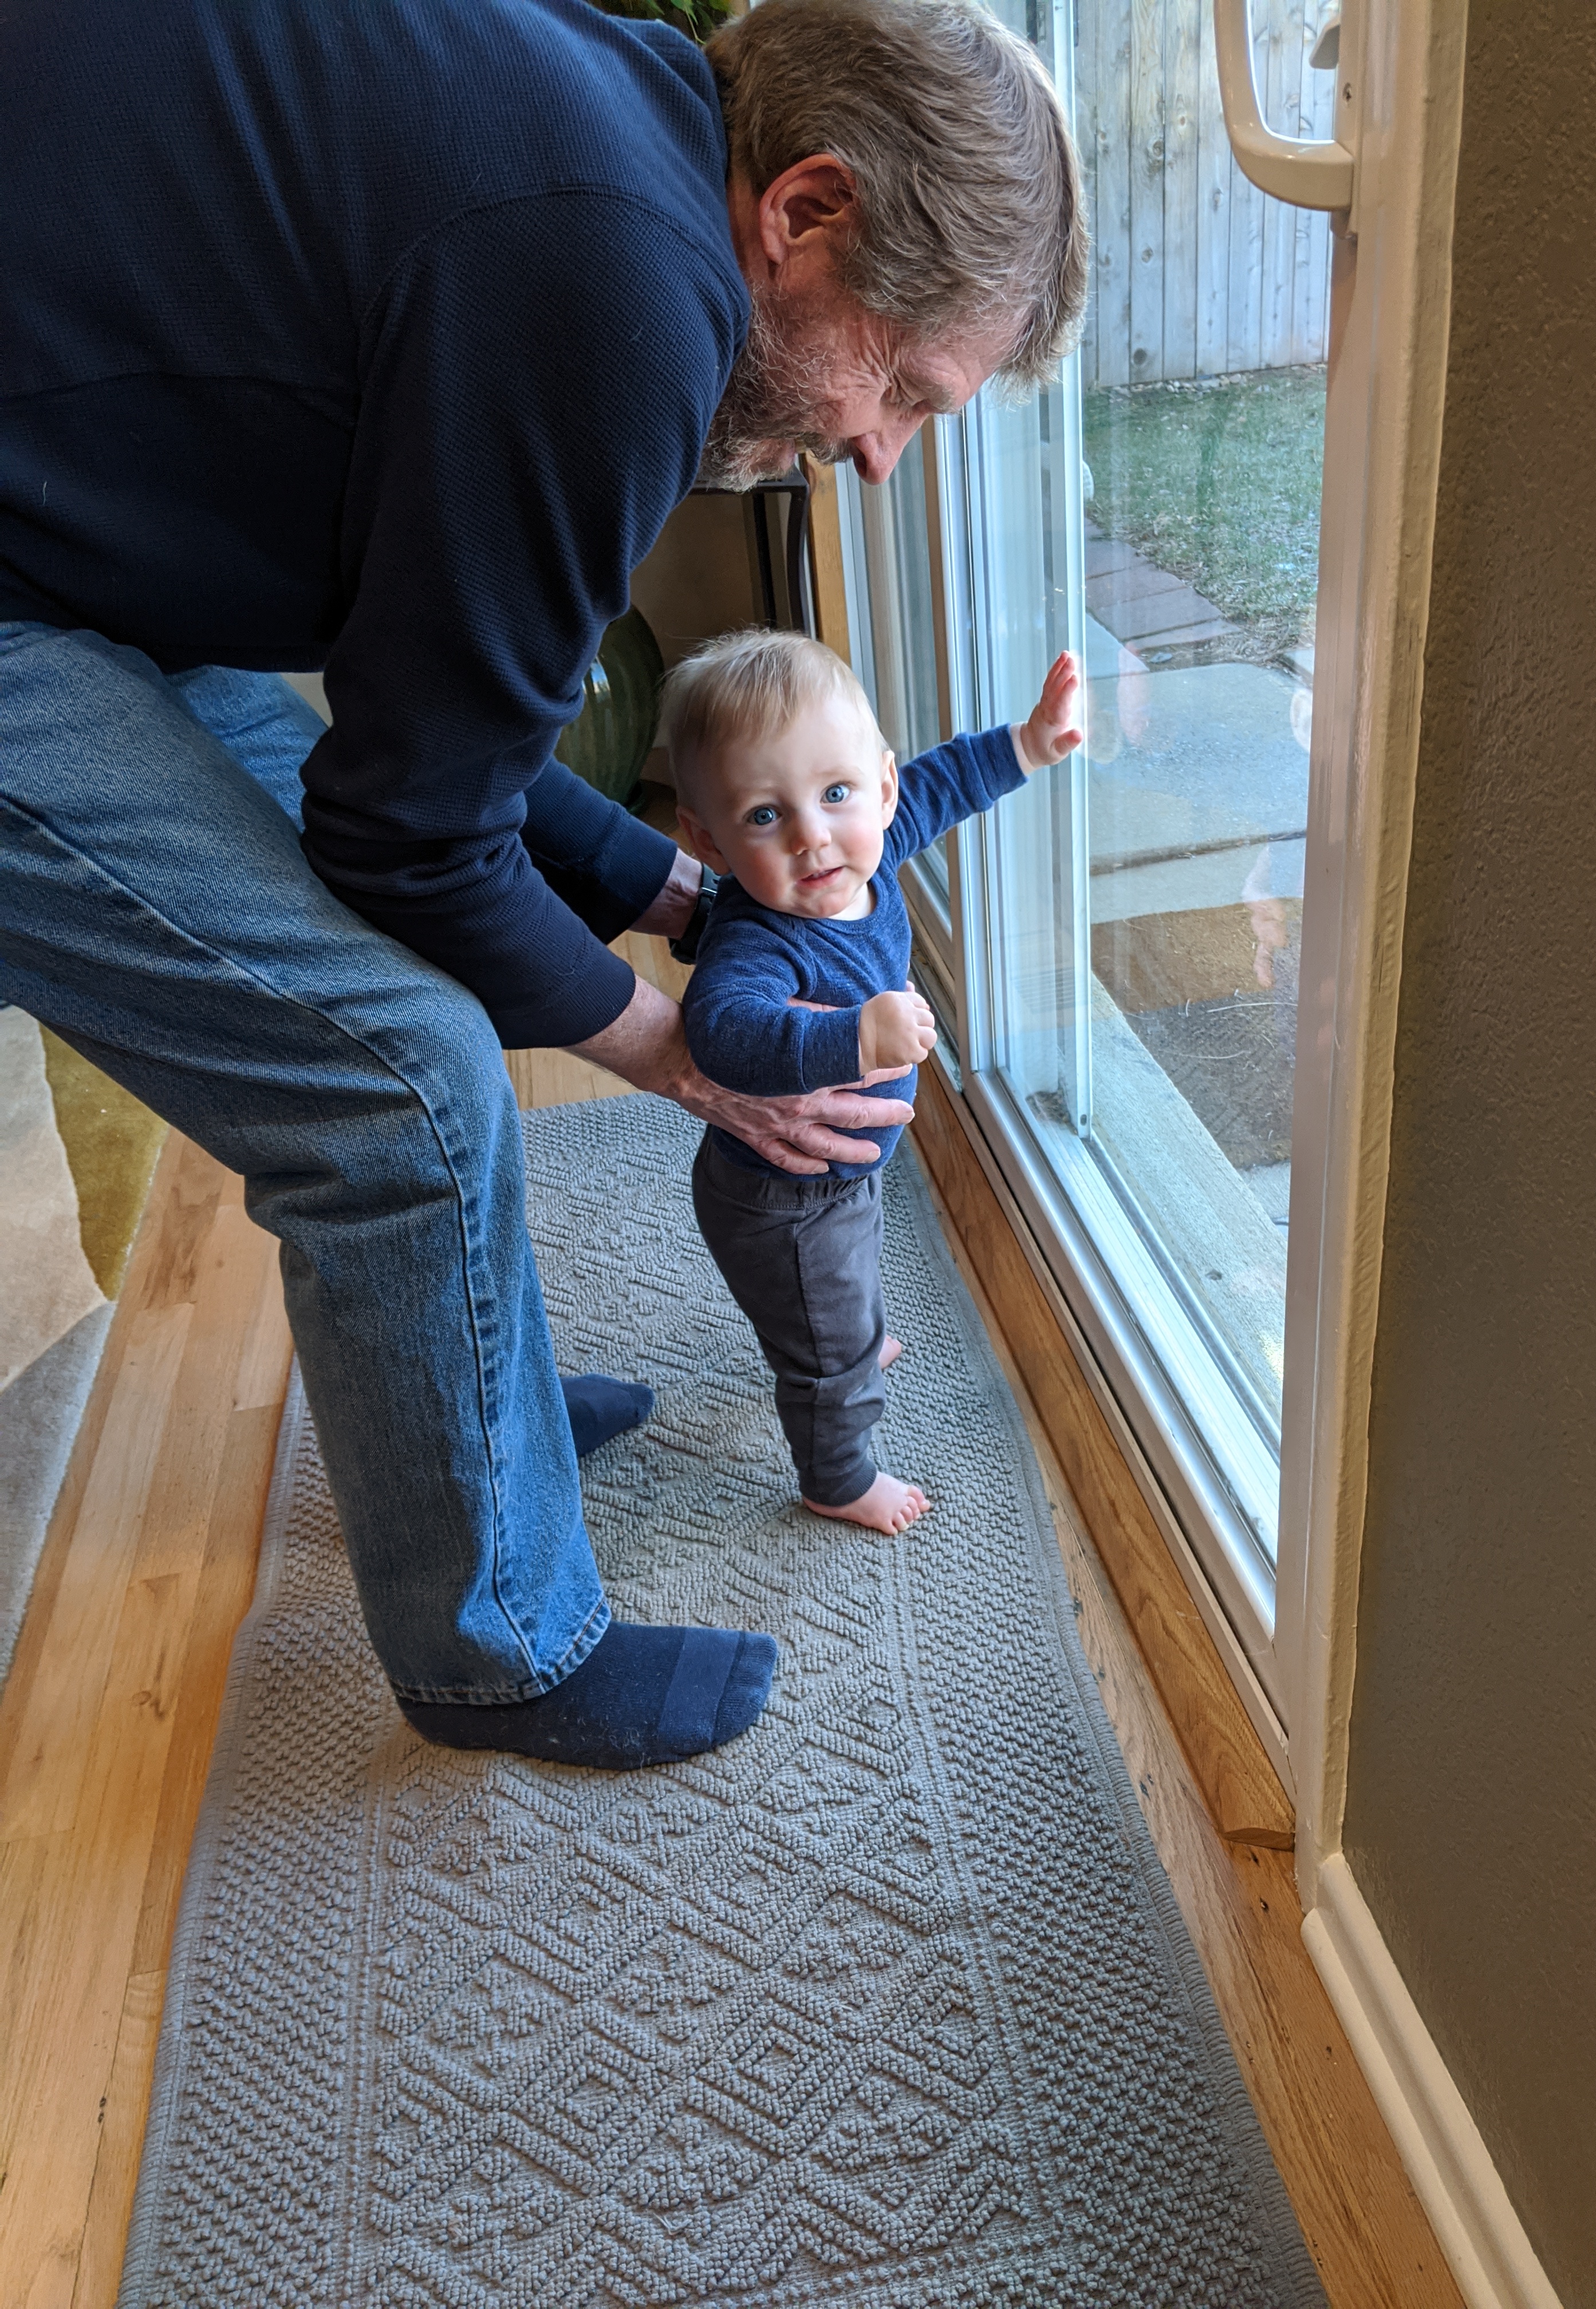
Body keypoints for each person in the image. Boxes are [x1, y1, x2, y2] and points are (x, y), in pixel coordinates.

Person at [0, 0, 1086, 1767]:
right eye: (901, 384)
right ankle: (497, 1651)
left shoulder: (614, 126)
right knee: (401, 1078)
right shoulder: (622, 291)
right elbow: (407, 833)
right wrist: (672, 1042)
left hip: (77, 542)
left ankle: (463, 1403)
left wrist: (674, 885)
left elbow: (439, 727)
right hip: (29, 590)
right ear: (804, 213)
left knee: (402, 999)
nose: (880, 451)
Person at [668, 631, 1082, 1534]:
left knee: (843, 1289)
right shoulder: (759, 936)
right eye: (765, 817)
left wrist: (1030, 743)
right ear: (708, 839)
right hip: (782, 1199)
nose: (815, 836)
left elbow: (944, 784)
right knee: (828, 1358)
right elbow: (723, 1030)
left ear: (880, 789)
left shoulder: (874, 852)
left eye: (836, 793)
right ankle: (839, 1475)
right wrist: (854, 1035)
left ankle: (838, 1329)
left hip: (836, 1179)